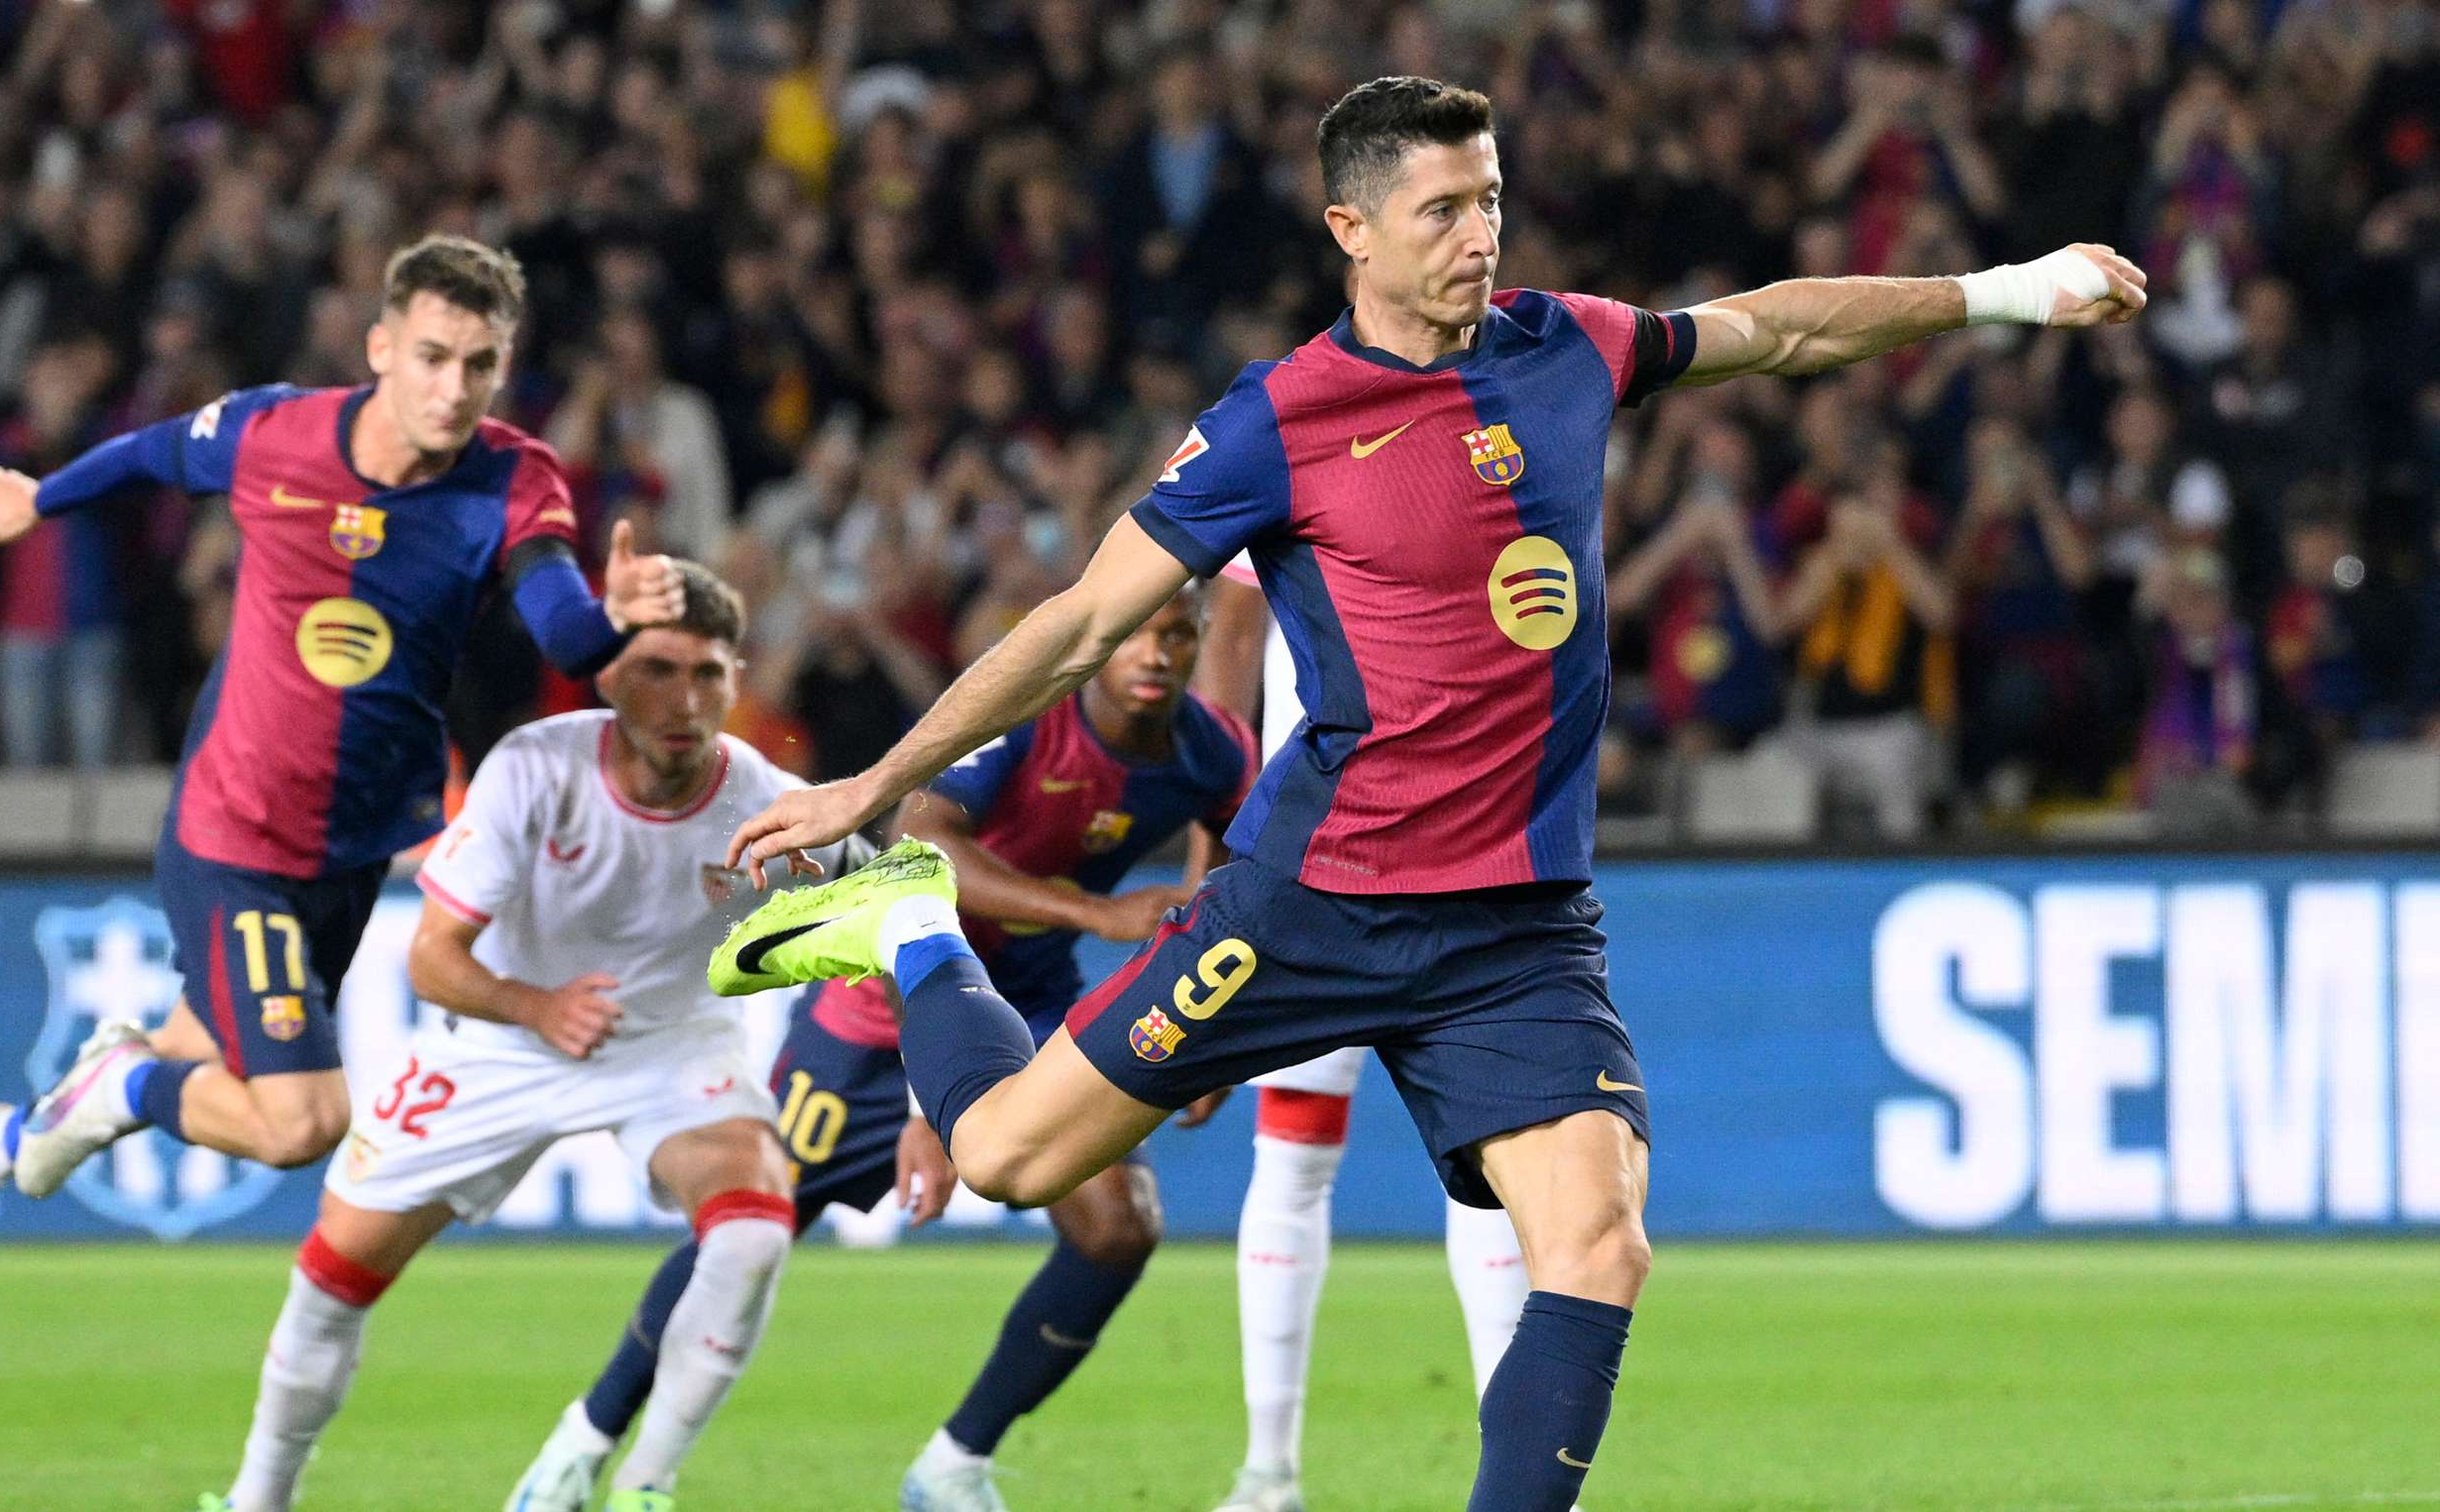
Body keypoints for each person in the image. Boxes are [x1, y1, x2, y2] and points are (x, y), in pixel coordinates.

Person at [711, 76, 2144, 1511]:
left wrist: (2008, 290)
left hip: (1516, 926)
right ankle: (910, 928)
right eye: (1443, 211)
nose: (1479, 239)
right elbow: (1087, 621)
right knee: (1009, 1156)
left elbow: (1777, 328)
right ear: (1352, 227)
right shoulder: (1281, 419)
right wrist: (880, 784)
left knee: (1598, 1243)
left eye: (1492, 203)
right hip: (1313, 902)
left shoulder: (1568, 346)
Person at [0, 234, 684, 1286]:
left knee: (198, 1057)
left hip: (349, 845)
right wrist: (41, 499)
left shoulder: (511, 477)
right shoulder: (275, 432)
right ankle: (107, 1085)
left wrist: (610, 618)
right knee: (301, 1116)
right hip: (237, 829)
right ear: (381, 347)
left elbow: (560, 626)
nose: (454, 388)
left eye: (479, 365)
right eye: (434, 356)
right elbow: (152, 453)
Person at [520, 587, 1253, 1512]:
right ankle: (583, 1444)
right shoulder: (1027, 719)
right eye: (1137, 634)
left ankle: (954, 1466)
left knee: (1117, 1229)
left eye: (1177, 635)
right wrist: (1096, 916)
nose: (1155, 655)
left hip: (1027, 1000)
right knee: (752, 1221)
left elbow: (1232, 858)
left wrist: (1202, 1021)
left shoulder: (1212, 749)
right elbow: (922, 851)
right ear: (1099, 642)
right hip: (878, 997)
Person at [197, 564, 854, 1512]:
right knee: (334, 1275)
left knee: (755, 1229)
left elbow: (890, 895)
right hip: (498, 1043)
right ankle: (259, 1498)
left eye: (709, 673)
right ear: (609, 678)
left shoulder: (768, 799)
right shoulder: (534, 768)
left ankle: (644, 1486)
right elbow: (431, 958)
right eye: (660, 669)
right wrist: (537, 1007)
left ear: (734, 679)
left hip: (671, 1043)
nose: (686, 699)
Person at [1195, 561, 1526, 1512]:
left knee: (1477, 1171)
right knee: (1337, 1160)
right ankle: (1270, 1475)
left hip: (1408, 851)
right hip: (1356, 858)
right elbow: (1229, 635)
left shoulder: (1485, 420)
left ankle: (1510, 1483)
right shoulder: (1295, 418)